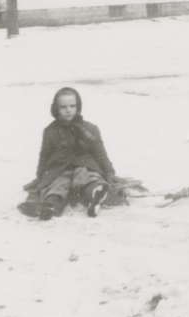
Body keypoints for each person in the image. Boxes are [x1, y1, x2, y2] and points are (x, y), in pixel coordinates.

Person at [18, 87, 117, 220]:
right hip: (60, 168)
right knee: (58, 185)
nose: (68, 110)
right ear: (56, 109)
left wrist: (109, 172)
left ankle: (96, 195)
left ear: (78, 106)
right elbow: (44, 155)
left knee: (87, 178)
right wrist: (41, 176)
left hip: (85, 165)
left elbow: (100, 153)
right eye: (63, 107)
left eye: (72, 106)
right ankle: (50, 206)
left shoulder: (90, 128)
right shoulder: (50, 131)